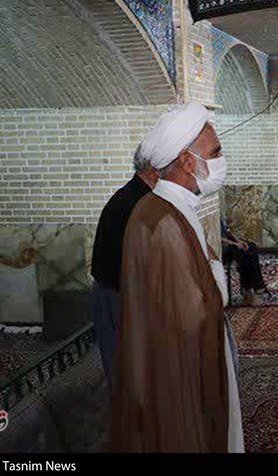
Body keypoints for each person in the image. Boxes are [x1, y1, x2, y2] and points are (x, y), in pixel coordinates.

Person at [111, 102, 243, 453]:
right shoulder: (164, 220)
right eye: (214, 153)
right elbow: (196, 311)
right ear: (187, 162)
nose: (220, 160)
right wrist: (214, 269)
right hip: (177, 369)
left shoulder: (170, 207)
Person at [90, 143, 158, 389]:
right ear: (154, 168)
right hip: (118, 296)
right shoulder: (135, 202)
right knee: (128, 376)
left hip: (123, 293)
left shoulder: (140, 197)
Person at [221, 218, 266, 306]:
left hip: (228, 242)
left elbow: (227, 230)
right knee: (244, 253)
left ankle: (258, 285)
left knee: (251, 246)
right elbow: (214, 238)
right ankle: (248, 290)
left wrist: (238, 240)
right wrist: (234, 244)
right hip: (219, 247)